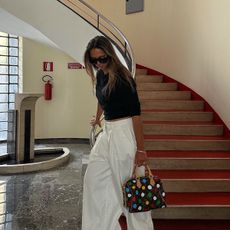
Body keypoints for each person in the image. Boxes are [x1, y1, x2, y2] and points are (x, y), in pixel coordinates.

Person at [82, 35, 154, 230]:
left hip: (124, 132)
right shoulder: (101, 75)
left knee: (131, 192)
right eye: (93, 60)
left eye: (102, 59)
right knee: (93, 181)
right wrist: (98, 118)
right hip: (108, 133)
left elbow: (136, 114)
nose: (98, 63)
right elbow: (101, 98)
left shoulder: (123, 77)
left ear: (111, 56)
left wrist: (141, 150)